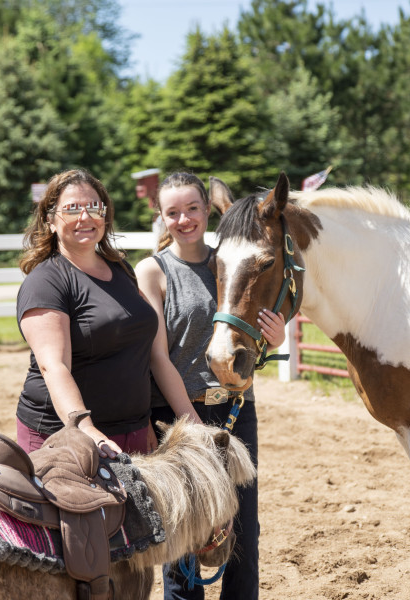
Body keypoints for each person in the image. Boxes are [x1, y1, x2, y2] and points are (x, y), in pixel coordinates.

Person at [136, 172, 285, 600]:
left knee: (244, 533)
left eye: (192, 208)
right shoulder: (154, 270)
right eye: (173, 212)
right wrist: (191, 424)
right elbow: (158, 357)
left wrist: (274, 338)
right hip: (179, 415)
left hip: (236, 408)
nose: (184, 219)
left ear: (207, 210)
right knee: (184, 534)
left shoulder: (231, 259)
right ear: (162, 217)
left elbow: (252, 328)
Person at [14, 168, 201, 459]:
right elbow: (54, 367)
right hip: (65, 436)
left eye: (93, 207)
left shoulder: (121, 270)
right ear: (50, 220)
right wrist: (86, 429)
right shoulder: (46, 283)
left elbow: (146, 353)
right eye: (72, 209)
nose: (85, 217)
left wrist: (145, 421)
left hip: (132, 431)